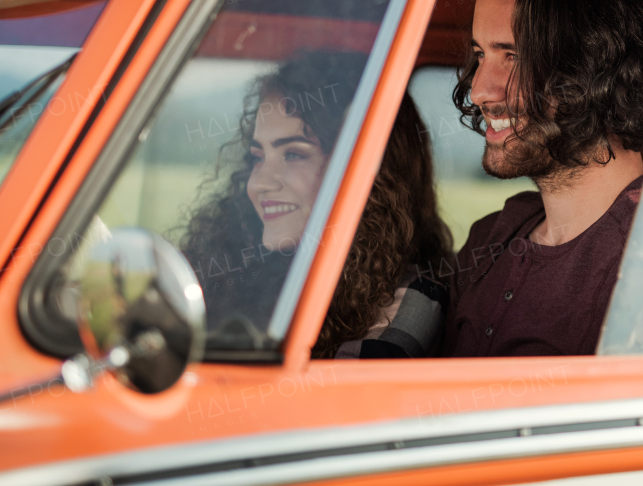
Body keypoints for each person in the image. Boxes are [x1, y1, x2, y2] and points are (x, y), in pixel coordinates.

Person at [444, 0, 643, 356]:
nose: (479, 91)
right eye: (480, 54)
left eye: (514, 56)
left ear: (596, 68)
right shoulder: (491, 238)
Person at [181, 51, 453, 358]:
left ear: (367, 173)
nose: (258, 183)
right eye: (258, 157)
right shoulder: (249, 269)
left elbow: (333, 402)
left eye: (294, 154)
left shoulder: (411, 299)